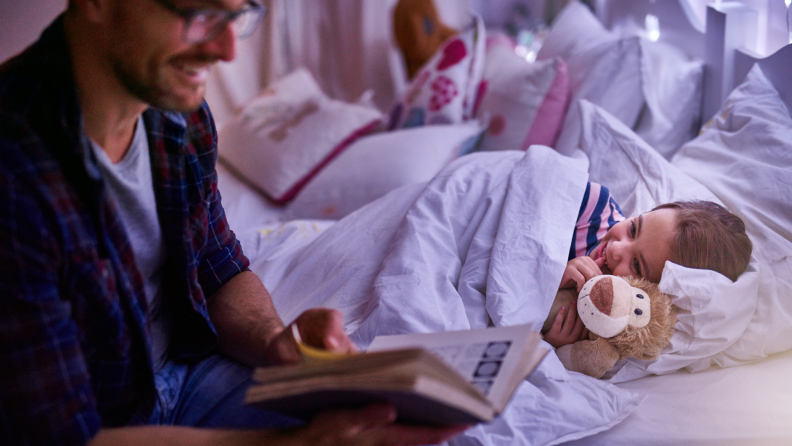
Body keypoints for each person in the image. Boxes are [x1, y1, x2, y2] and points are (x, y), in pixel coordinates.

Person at [0, 0, 465, 445]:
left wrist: (276, 344)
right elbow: (57, 437)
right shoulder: (16, 175)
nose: (227, 51)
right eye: (199, 13)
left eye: (237, 14)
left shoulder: (179, 114)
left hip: (186, 371)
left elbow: (221, 270)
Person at [543, 189, 753, 349]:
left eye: (636, 265)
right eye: (633, 228)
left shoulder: (604, 322)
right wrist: (549, 274)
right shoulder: (592, 207)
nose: (616, 248)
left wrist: (550, 344)